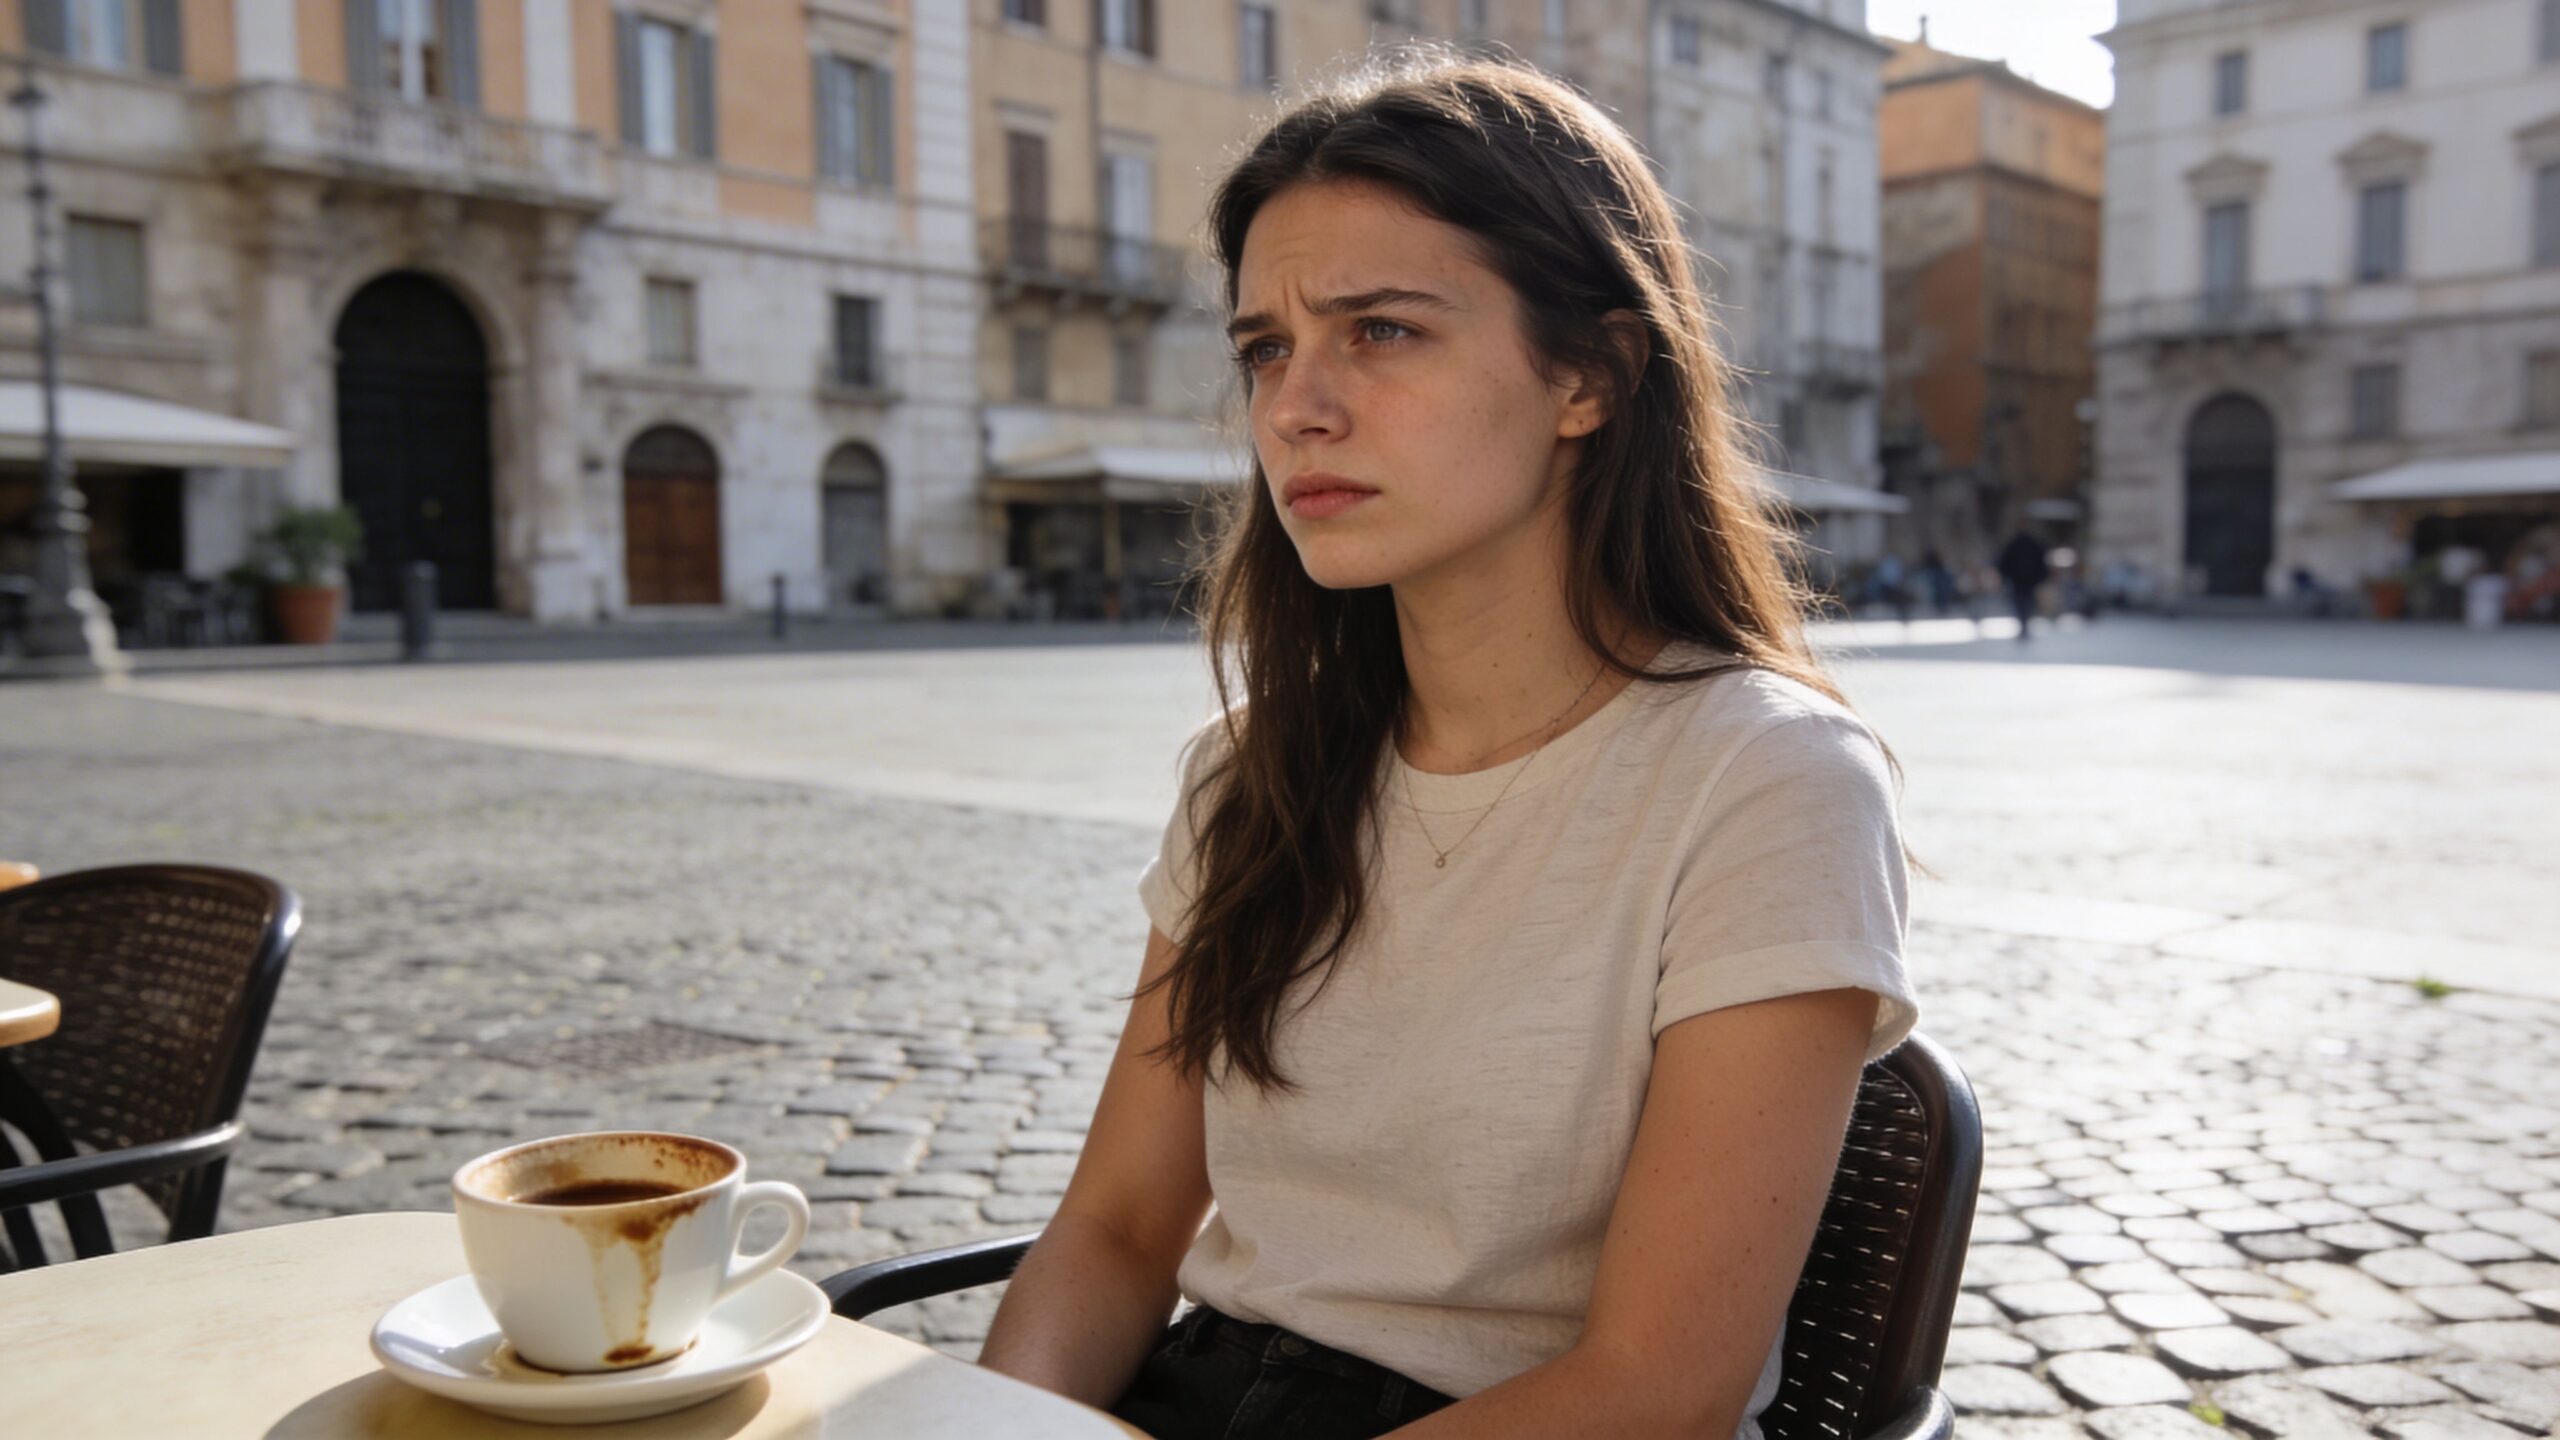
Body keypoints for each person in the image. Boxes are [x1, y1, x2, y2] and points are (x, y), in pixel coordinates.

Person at [976, 51, 1918, 1440]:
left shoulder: (1766, 784)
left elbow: (1657, 1388)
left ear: (1591, 375)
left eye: (1383, 331)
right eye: (1265, 348)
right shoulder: (1248, 772)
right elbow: (1116, 1232)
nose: (1297, 406)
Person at [1995, 529, 2050, 642]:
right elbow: (2041, 561)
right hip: (2028, 579)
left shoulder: (2015, 543)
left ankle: (2023, 623)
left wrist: (2004, 575)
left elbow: (2004, 561)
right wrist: (2042, 576)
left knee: (2020, 603)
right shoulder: (2032, 543)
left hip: (2018, 580)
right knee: (2026, 602)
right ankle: (2024, 623)